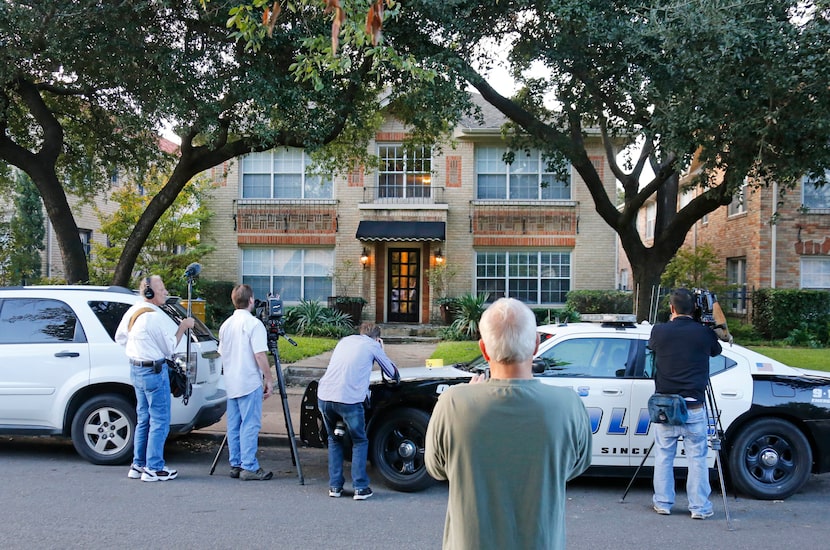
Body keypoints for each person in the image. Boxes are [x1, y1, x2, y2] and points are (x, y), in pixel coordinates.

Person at [425, 298, 592, 550]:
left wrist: (466, 397)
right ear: (536, 344)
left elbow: (436, 469)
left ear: (484, 349)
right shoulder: (568, 404)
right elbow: (575, 466)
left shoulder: (452, 403)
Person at [648, 288, 722, 519]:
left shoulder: (659, 331)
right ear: (696, 309)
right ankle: (699, 508)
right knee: (697, 459)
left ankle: (663, 503)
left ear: (671, 308)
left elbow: (652, 350)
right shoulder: (703, 333)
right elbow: (717, 348)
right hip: (694, 407)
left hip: (666, 407)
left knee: (663, 456)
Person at [115, 275, 195, 482]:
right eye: (162, 289)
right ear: (150, 293)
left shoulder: (134, 310)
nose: (166, 292)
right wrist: (183, 326)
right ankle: (154, 467)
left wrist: (138, 349)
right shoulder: (155, 316)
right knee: (160, 420)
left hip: (136, 369)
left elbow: (120, 338)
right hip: (154, 372)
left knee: (144, 418)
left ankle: (138, 464)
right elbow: (170, 348)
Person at [317, 322, 400, 500]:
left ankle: (335, 487)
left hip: (325, 396)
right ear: (377, 338)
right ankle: (360, 487)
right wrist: (381, 349)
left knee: (334, 439)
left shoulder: (345, 341)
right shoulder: (373, 345)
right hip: (349, 400)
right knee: (360, 441)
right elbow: (393, 373)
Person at [218, 284, 275, 481]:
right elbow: (259, 354)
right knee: (250, 424)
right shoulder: (254, 325)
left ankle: (236, 463)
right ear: (251, 300)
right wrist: (269, 379)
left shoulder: (225, 325)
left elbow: (222, 354)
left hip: (231, 381)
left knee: (234, 425)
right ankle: (249, 465)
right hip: (248, 380)